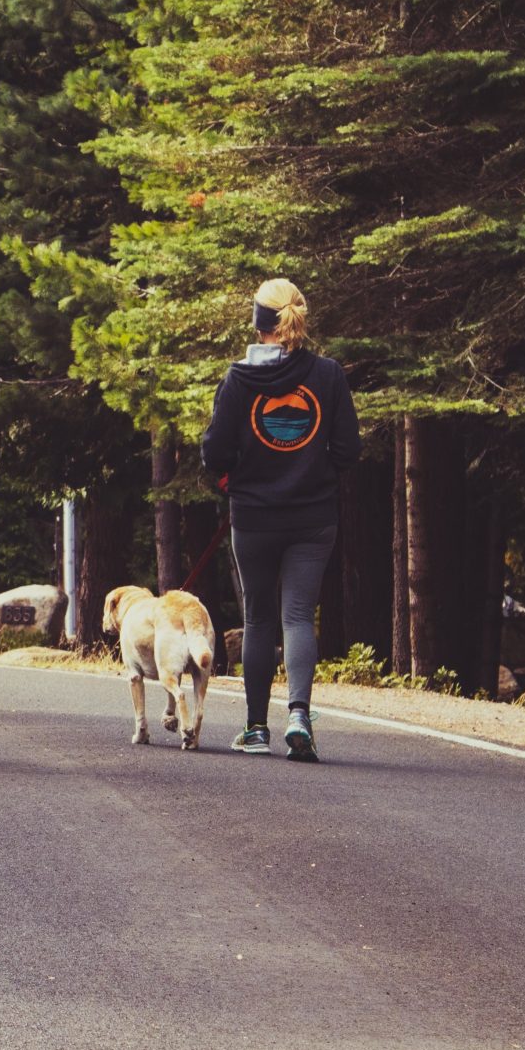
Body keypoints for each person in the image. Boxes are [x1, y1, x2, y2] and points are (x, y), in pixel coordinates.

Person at [199, 277, 361, 761]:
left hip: (253, 517)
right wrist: (313, 471)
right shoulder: (328, 376)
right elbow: (348, 450)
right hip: (314, 516)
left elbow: (214, 453)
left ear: (258, 324)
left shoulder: (238, 380)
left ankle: (255, 729)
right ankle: (299, 716)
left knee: (259, 618)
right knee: (298, 616)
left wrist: (238, 476)